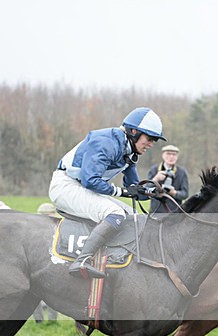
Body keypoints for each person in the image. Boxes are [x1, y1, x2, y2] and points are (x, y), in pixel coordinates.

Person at [49, 107, 165, 278]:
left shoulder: (129, 150)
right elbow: (90, 180)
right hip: (66, 186)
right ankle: (82, 260)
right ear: (134, 132)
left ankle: (116, 257)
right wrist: (122, 192)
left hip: (82, 187)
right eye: (149, 138)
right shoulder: (106, 142)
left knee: (132, 214)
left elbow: (133, 187)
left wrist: (149, 191)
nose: (151, 144)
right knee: (116, 213)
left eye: (154, 140)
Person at [147, 144, 189, 214]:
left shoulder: (182, 172)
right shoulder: (154, 170)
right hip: (155, 212)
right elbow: (146, 190)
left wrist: (174, 193)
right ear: (163, 155)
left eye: (174, 154)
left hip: (174, 213)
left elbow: (185, 194)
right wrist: (155, 179)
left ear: (177, 157)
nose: (171, 157)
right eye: (168, 154)